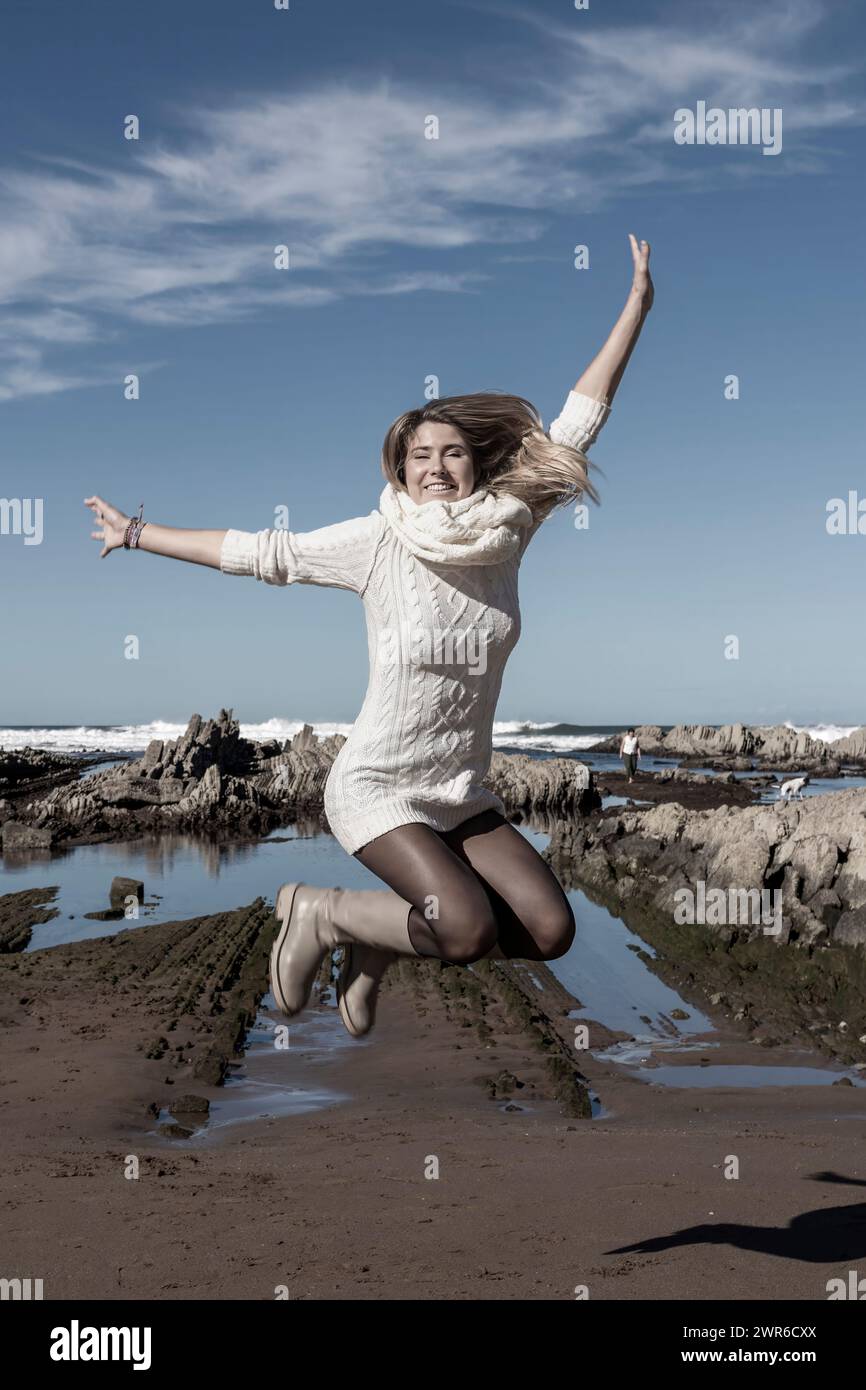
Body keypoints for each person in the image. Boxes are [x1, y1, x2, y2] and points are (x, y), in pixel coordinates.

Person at [85, 234, 653, 1042]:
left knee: (550, 932)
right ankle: (327, 916)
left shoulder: (509, 526)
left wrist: (635, 306)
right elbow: (260, 554)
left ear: (476, 463)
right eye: (420, 454)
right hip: (379, 787)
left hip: (459, 791)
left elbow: (578, 425)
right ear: (400, 467)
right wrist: (141, 533)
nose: (436, 466)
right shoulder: (376, 540)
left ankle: (374, 940)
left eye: (453, 452)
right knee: (464, 931)